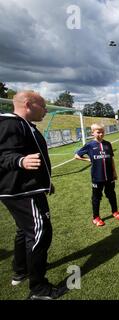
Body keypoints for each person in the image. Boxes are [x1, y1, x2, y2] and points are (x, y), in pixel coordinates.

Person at [0, 91, 67, 299]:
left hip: (30, 187)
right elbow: (4, 155)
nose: (46, 110)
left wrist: (45, 182)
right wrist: (20, 161)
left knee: (25, 231)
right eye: (43, 106)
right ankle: (38, 289)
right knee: (40, 233)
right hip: (22, 191)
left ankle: (20, 271)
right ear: (28, 104)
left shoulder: (26, 126)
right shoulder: (10, 124)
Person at [75, 123, 119, 226]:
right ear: (92, 133)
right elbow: (76, 156)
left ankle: (115, 211)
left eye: (102, 132)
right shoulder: (89, 145)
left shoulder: (108, 144)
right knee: (96, 197)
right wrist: (89, 160)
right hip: (97, 177)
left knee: (111, 194)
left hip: (109, 176)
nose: (101, 134)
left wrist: (114, 172)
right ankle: (96, 217)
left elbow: (111, 159)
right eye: (98, 132)